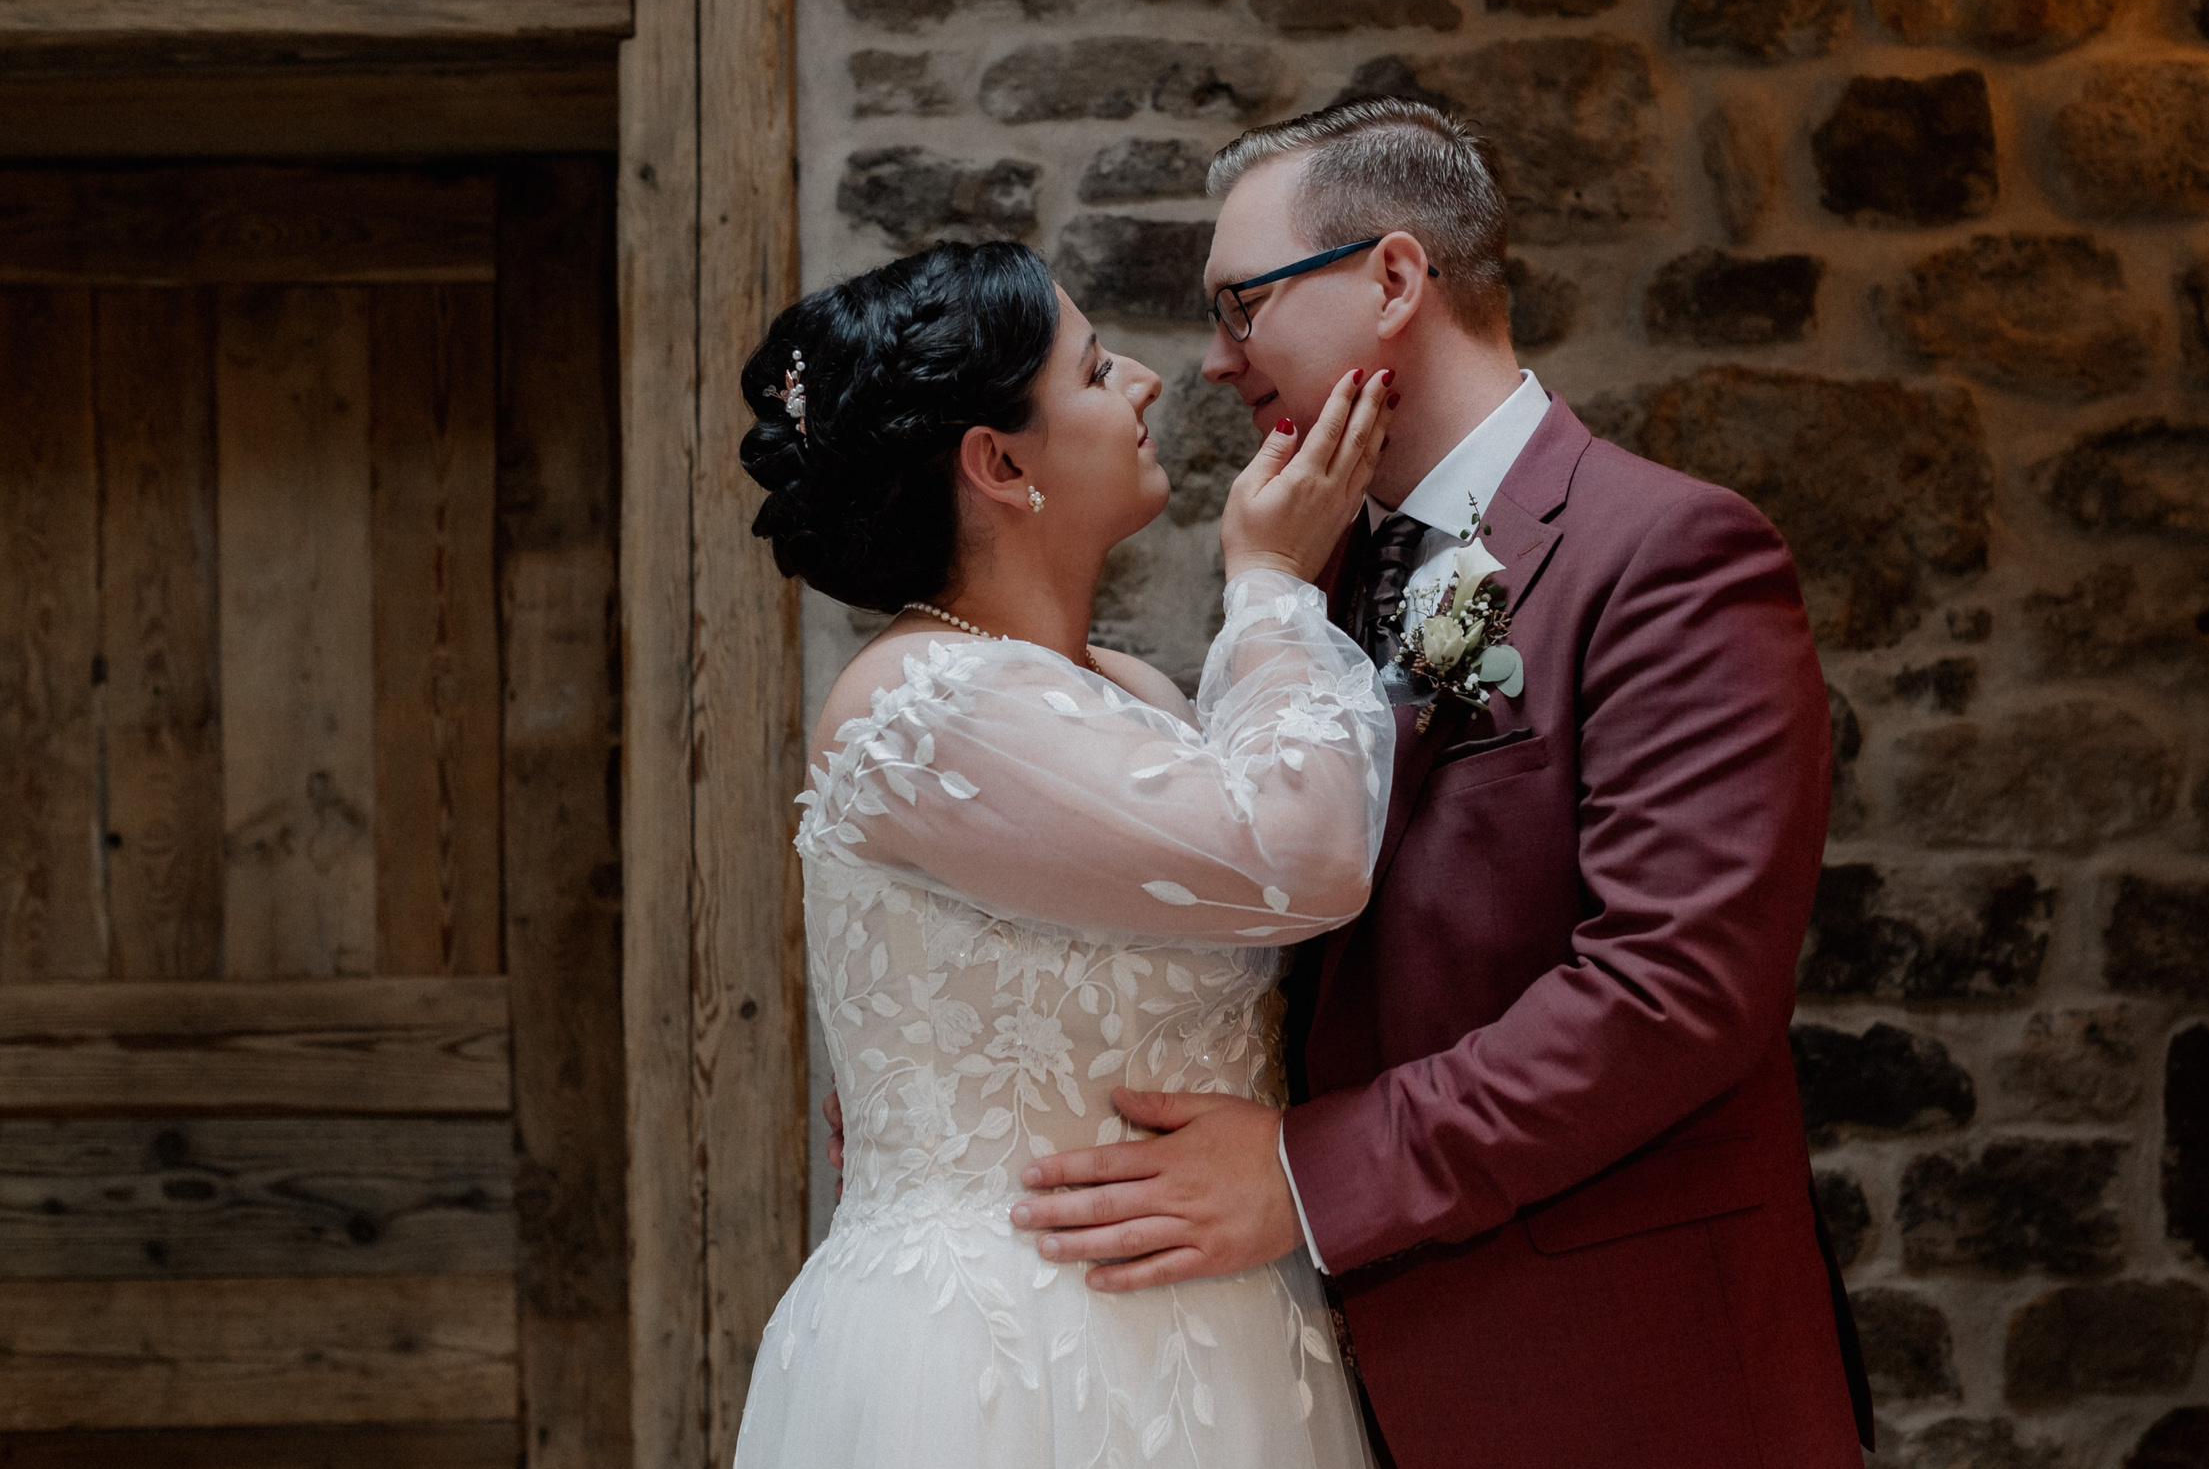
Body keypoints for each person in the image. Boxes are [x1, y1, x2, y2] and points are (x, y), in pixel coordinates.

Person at [1002, 101, 1873, 1468]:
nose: (1218, 364)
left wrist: (1304, 1171)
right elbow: (1258, 903)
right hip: (1344, 1376)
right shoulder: (1315, 576)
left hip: (1617, 1369)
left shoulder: (1671, 553)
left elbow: (1675, 991)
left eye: (1243, 307)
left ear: (1395, 279)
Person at [731, 238, 1400, 1469]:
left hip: (1221, 1321)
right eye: (1095, 370)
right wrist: (1267, 582)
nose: (1145, 381)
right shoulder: (926, 700)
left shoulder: (1124, 687)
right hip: (1015, 1348)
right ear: (998, 462)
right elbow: (1302, 855)